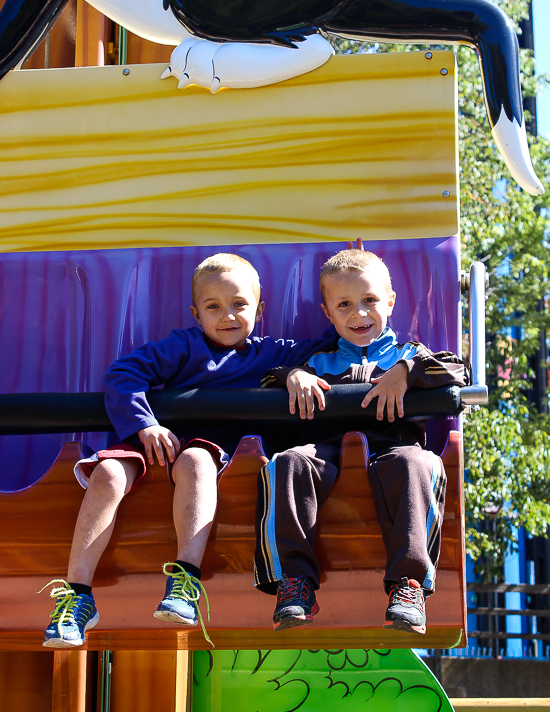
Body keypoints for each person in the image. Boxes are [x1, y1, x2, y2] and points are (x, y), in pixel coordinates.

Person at [40, 252, 336, 648]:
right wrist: (145, 424)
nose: (227, 315)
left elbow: (333, 348)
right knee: (107, 473)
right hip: (157, 441)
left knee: (196, 459)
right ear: (196, 314)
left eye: (239, 305)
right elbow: (123, 374)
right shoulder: (184, 345)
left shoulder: (272, 353)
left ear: (260, 310)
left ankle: (183, 581)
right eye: (213, 307)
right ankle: (77, 596)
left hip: (201, 453)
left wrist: (296, 373)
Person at [254, 248, 468, 635]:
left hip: (392, 446)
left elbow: (457, 369)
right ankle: (295, 581)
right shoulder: (317, 361)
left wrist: (405, 372)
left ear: (390, 301)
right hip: (326, 448)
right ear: (328, 313)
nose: (359, 314)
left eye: (370, 301)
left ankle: (409, 584)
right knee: (284, 463)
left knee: (420, 464)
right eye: (345, 305)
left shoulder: (407, 354)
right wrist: (290, 377)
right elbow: (267, 380)